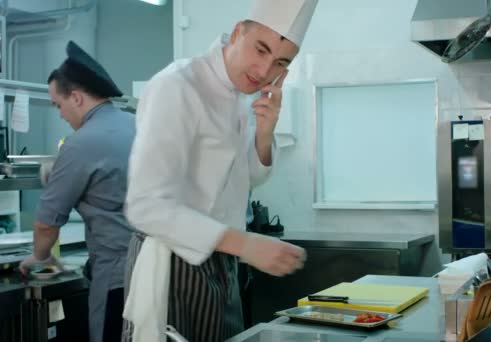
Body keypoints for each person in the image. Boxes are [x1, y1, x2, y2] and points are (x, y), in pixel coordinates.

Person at [121, 0, 318, 341]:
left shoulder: (240, 96)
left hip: (223, 262)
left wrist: (265, 131)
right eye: (260, 49)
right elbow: (145, 206)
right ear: (239, 31)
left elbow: (251, 177)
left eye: (280, 63)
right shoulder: (179, 85)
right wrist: (246, 245)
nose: (264, 70)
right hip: (174, 264)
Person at [19, 41, 136, 342]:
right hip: (156, 275)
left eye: (59, 105)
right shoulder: (138, 125)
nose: (60, 115)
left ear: (76, 97)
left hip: (116, 282)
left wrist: (40, 257)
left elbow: (46, 224)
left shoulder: (80, 143)